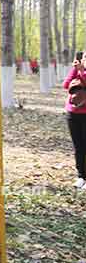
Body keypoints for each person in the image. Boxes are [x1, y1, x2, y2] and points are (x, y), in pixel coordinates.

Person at [62, 59, 86, 189]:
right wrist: (75, 70)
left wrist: (82, 72)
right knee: (78, 147)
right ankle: (81, 176)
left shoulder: (82, 72)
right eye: (84, 58)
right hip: (73, 114)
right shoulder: (77, 71)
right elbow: (66, 85)